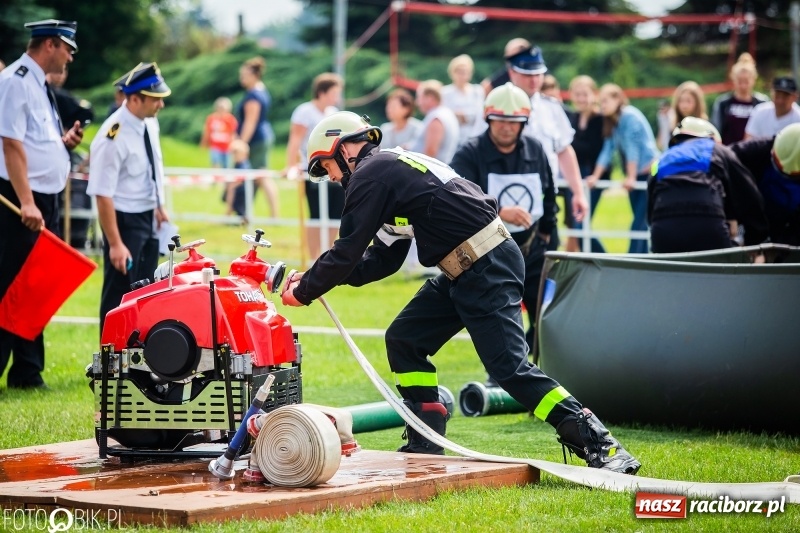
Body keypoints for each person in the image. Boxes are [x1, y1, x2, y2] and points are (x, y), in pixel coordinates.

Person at [281, 111, 641, 475]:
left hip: (485, 265)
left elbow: (347, 251)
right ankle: (426, 436)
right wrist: (314, 278)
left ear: (343, 149)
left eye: (326, 165)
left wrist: (306, 289)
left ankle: (600, 443)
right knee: (406, 339)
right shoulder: (387, 172)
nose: (330, 177)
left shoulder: (371, 175)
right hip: (467, 268)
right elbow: (381, 260)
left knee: (508, 368)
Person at [0, 19, 84, 389]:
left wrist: (63, 144)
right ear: (50, 44)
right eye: (68, 48)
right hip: (22, 200)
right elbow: (11, 144)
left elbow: (33, 140)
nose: (70, 57)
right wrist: (27, 202)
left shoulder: (38, 82)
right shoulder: (16, 81)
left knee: (33, 288)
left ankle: (27, 370)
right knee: (11, 287)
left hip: (39, 199)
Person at [450, 83, 556, 355]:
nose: (507, 127)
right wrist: (499, 211)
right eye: (500, 121)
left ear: (524, 123)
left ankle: (543, 367)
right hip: (489, 256)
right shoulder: (469, 153)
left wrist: (548, 232)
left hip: (533, 251)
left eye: (514, 122)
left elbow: (549, 193)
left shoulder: (535, 149)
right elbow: (455, 199)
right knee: (499, 321)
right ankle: (500, 372)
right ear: (488, 119)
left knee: (548, 314)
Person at [87, 62, 171, 333]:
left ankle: (141, 353)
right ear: (134, 99)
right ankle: (110, 355)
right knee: (119, 295)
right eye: (155, 99)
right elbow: (102, 193)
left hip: (148, 216)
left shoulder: (149, 123)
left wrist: (158, 205)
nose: (161, 105)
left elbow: (152, 167)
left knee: (147, 290)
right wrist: (115, 244)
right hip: (123, 221)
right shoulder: (113, 136)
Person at [496, 43, 589, 231]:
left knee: (549, 247)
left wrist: (578, 193)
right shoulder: (496, 106)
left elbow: (564, 151)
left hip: (545, 199)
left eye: (538, 74)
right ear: (512, 72)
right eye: (527, 74)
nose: (534, 80)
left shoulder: (552, 108)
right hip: (505, 200)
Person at [648, 117, 769, 253]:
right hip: (709, 224)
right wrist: (755, 242)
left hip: (663, 231)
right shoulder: (717, 150)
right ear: (711, 138)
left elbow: (650, 209)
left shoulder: (661, 159)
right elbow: (750, 196)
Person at [586, 83, 660, 254]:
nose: (602, 106)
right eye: (600, 102)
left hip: (649, 174)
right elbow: (607, 150)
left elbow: (633, 148)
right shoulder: (613, 122)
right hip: (637, 175)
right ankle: (641, 260)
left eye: (605, 101)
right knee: (640, 224)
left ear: (617, 99)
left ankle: (632, 262)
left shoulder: (629, 117)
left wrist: (631, 177)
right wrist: (595, 176)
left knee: (638, 225)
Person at [285, 72, 344, 262]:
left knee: (336, 214)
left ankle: (327, 255)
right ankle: (313, 258)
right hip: (312, 170)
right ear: (322, 92)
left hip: (334, 170)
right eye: (334, 93)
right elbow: (295, 140)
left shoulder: (333, 113)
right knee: (316, 215)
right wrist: (290, 166)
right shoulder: (305, 111)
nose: (337, 97)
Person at [731, 123, 800, 246]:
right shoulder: (751, 151)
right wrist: (729, 214)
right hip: (746, 220)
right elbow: (719, 162)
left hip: (786, 228)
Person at [566, 75, 609, 253]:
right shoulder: (573, 118)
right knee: (579, 226)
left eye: (585, 94)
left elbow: (593, 149)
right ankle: (600, 261)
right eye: (577, 94)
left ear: (594, 95)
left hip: (592, 177)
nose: (581, 99)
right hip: (576, 176)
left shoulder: (600, 119)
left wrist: (567, 145)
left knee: (580, 226)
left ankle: (605, 260)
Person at [237, 57, 279, 218]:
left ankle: (274, 214)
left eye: (244, 75)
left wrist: (242, 143)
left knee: (261, 175)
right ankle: (248, 213)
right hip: (263, 136)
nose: (242, 78)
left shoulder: (253, 96)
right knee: (259, 175)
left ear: (254, 75)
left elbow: (250, 121)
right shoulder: (261, 90)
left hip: (256, 139)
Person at [710, 53, 769, 145]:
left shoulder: (762, 103)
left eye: (746, 81)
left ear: (753, 80)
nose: (743, 86)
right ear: (733, 80)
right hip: (728, 150)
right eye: (739, 81)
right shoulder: (723, 103)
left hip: (754, 151)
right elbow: (716, 130)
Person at [411, 79, 460, 164]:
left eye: (419, 97)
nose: (417, 102)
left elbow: (430, 152)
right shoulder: (444, 113)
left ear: (430, 98)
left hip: (430, 169)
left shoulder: (436, 118)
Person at [440, 54, 484, 146]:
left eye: (465, 72)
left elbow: (480, 115)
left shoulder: (477, 91)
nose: (462, 75)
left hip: (473, 138)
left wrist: (462, 116)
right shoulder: (445, 92)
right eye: (459, 72)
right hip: (452, 139)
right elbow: (444, 116)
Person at [200, 96, 238, 169]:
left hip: (226, 147)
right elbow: (207, 132)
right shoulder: (211, 118)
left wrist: (232, 145)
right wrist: (203, 143)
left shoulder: (230, 119)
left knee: (226, 165)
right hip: (215, 146)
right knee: (215, 163)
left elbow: (233, 133)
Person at [224, 138, 251, 221]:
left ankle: (228, 215)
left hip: (241, 192)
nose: (234, 155)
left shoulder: (243, 165)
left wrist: (231, 186)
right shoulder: (237, 164)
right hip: (239, 191)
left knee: (241, 210)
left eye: (236, 153)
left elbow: (241, 179)